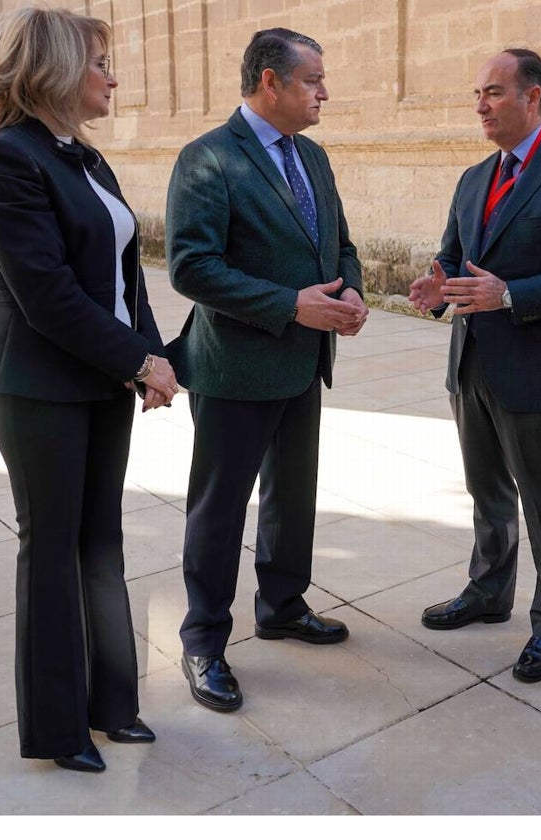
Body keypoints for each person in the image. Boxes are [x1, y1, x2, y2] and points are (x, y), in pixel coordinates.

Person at [0, 7, 178, 772]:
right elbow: (47, 294)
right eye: (100, 64)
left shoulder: (86, 159)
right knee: (52, 546)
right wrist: (136, 362)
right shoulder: (8, 160)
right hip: (37, 386)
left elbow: (123, 279)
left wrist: (150, 356)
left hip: (101, 376)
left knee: (102, 540)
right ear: (56, 70)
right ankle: (58, 733)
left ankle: (113, 705)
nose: (113, 78)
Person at [165, 28, 366, 713]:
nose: (325, 93)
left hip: (304, 361)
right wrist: (290, 305)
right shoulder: (209, 158)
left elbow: (339, 241)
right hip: (233, 369)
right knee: (220, 511)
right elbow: (192, 266)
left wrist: (352, 289)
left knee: (293, 496)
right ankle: (203, 641)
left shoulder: (312, 156)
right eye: (313, 80)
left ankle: (282, 604)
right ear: (270, 83)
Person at [408, 49, 541, 683]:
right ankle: (489, 592)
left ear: (533, 97)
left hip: (537, 369)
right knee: (488, 492)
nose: (480, 105)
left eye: (493, 92)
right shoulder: (474, 178)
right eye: (478, 93)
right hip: (471, 363)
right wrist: (436, 286)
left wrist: (513, 295)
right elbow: (452, 257)